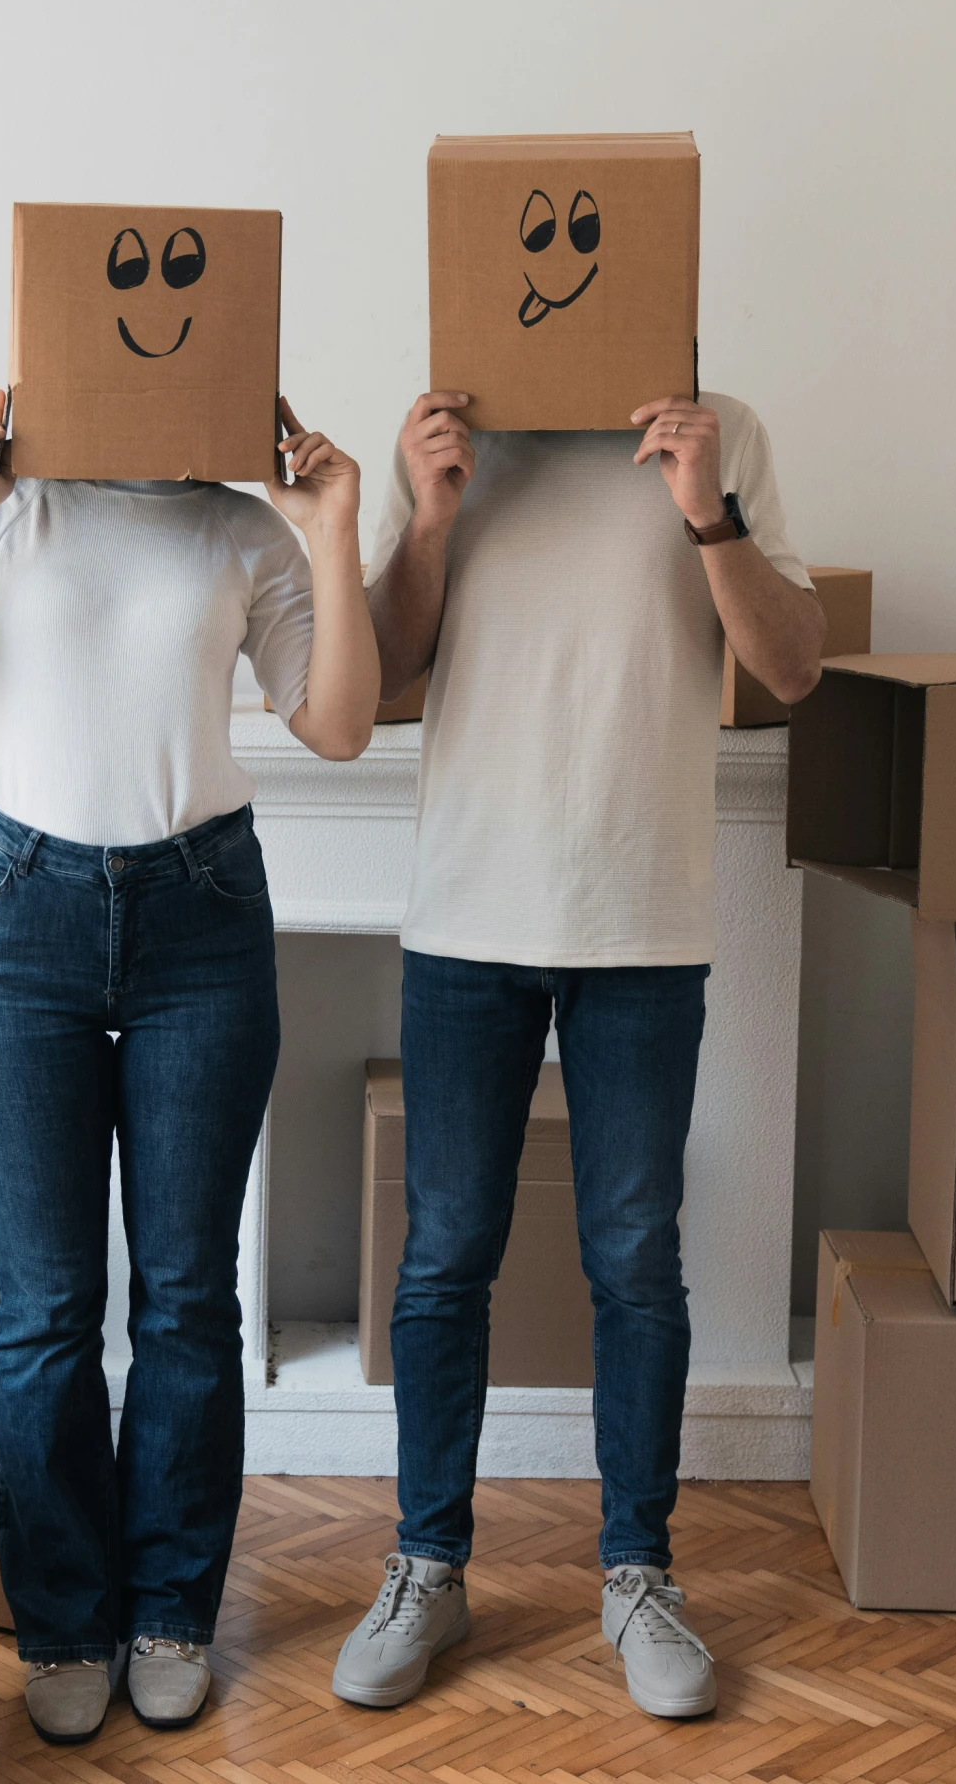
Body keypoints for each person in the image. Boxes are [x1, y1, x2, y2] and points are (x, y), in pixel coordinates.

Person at [0, 389, 379, 1745]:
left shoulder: (240, 530)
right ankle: (68, 1620)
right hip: (22, 916)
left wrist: (332, 527)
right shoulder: (9, 513)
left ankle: (170, 1612)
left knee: (192, 1299)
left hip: (202, 914)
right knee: (47, 1306)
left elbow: (339, 727)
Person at [331, 388, 823, 1720]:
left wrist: (707, 514)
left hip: (641, 919)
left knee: (634, 1262)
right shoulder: (443, 433)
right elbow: (376, 676)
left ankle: (638, 1573)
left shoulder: (722, 436)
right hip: (465, 916)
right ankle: (428, 1564)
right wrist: (430, 515)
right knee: (443, 1258)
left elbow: (792, 667)